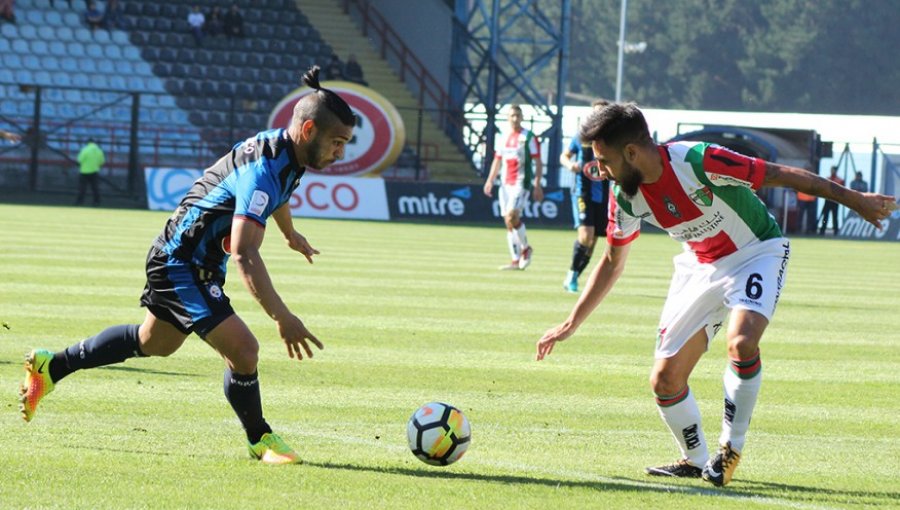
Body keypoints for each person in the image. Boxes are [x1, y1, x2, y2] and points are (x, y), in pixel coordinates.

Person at [535, 103, 894, 487]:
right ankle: (695, 459)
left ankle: (730, 449)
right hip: (700, 266)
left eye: (603, 160)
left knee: (741, 342)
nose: (600, 171)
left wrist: (855, 200)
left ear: (631, 153)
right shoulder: (624, 197)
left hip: (756, 253)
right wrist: (571, 322)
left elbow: (783, 175)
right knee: (665, 380)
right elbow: (611, 261)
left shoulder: (697, 160)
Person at [19, 67, 357, 465]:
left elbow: (280, 194)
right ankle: (260, 439)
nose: (341, 152)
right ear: (309, 130)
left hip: (199, 259)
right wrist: (283, 317)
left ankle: (51, 365)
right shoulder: (263, 170)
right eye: (337, 142)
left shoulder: (286, 153)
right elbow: (247, 254)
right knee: (244, 350)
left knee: (154, 343)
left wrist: (289, 233)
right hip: (179, 261)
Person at [483, 104, 543, 270]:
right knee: (508, 222)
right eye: (512, 116)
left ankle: (526, 248)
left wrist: (537, 183)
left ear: (522, 117)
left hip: (521, 182)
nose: (515, 118)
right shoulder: (503, 136)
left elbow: (538, 161)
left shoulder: (528, 137)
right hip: (504, 183)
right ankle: (516, 260)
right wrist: (490, 180)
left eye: (518, 115)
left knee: (511, 216)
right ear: (508, 118)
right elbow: (497, 160)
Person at [559, 99, 610, 292]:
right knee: (586, 235)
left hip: (604, 196)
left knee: (594, 239)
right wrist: (569, 165)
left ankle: (573, 276)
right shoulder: (581, 137)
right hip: (583, 192)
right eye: (596, 113)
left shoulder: (612, 140)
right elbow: (564, 156)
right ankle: (572, 275)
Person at [75, 138, 104, 206]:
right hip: (94, 171)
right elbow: (102, 161)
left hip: (84, 171)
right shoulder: (99, 150)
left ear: (87, 142)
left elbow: (79, 160)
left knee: (82, 188)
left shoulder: (85, 149)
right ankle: (96, 202)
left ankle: (80, 202)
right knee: (95, 188)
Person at [818, 166, 845, 235]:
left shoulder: (840, 180)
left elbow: (842, 190)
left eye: (833, 170)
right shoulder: (828, 179)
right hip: (828, 200)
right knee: (825, 216)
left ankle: (835, 230)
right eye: (832, 170)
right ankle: (822, 229)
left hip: (835, 200)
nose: (832, 171)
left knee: (835, 216)